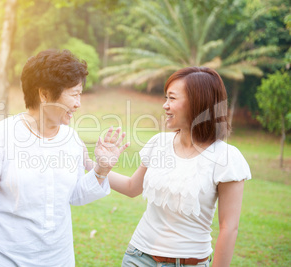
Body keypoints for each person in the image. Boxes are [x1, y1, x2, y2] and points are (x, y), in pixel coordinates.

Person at [0, 49, 129, 267]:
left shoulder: (71, 139)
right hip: (3, 260)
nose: (78, 104)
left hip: (58, 260)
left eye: (80, 94)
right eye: (74, 94)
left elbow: (73, 196)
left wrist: (102, 169)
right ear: (44, 94)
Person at [98, 67, 251, 266]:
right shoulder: (159, 143)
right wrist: (94, 165)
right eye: (165, 98)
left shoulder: (227, 157)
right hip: (138, 257)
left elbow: (229, 227)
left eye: (172, 98)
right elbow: (131, 187)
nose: (165, 105)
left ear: (198, 102)